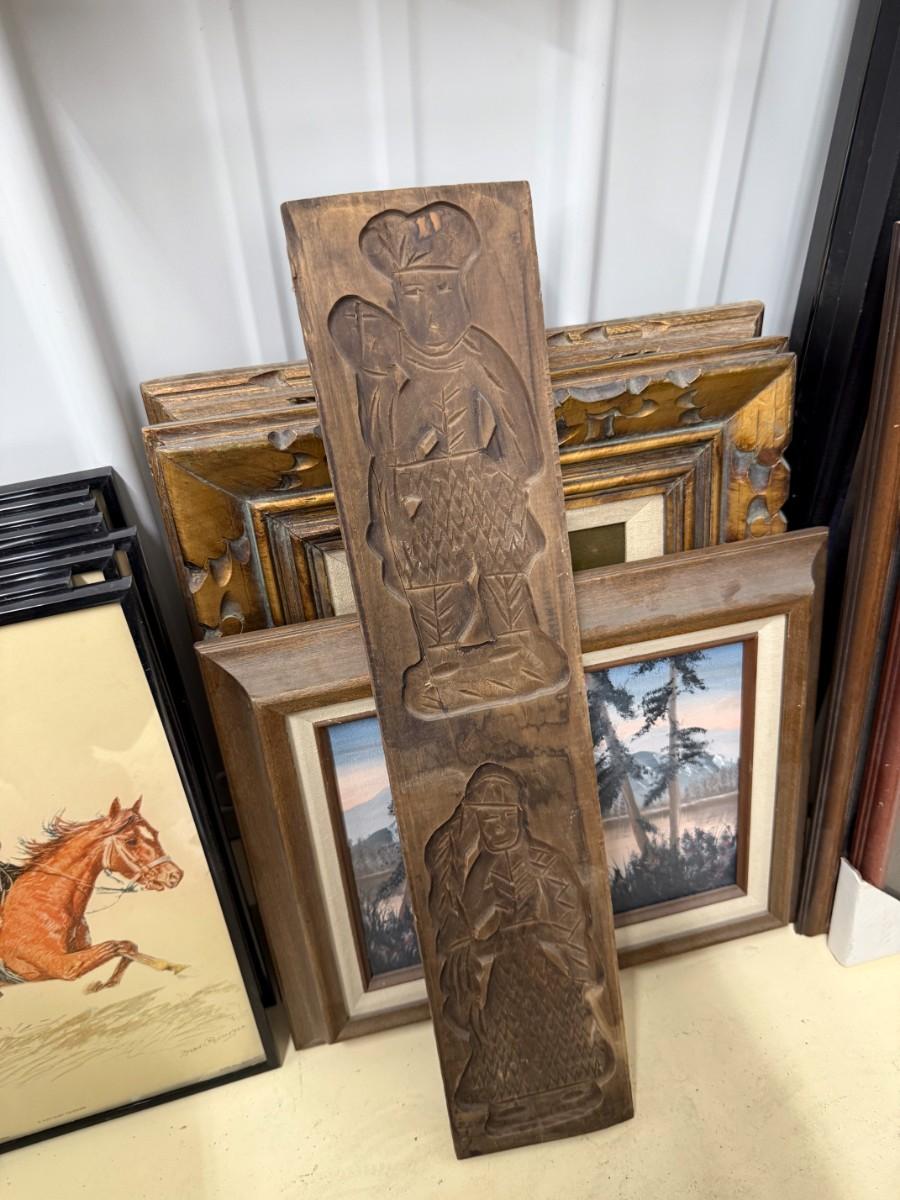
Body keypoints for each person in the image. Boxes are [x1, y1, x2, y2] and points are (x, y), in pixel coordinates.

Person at [329, 202, 567, 717]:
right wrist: (373, 377)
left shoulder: (475, 350)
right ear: (396, 301)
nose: (431, 310)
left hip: (480, 480)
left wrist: (510, 467)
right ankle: (442, 661)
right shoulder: (389, 359)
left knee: (501, 561)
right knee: (430, 574)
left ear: (462, 293)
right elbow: (381, 439)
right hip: (417, 492)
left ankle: (517, 643)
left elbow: (513, 413)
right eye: (414, 295)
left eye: (442, 289)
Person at [424, 763, 615, 1139]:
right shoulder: (483, 871)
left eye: (502, 820)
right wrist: (481, 945)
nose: (495, 830)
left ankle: (573, 1088)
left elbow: (572, 917)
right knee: (505, 1032)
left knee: (560, 1023)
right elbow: (470, 925)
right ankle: (510, 1103)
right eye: (486, 822)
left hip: (547, 964)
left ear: (518, 815)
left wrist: (569, 956)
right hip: (506, 970)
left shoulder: (546, 861)